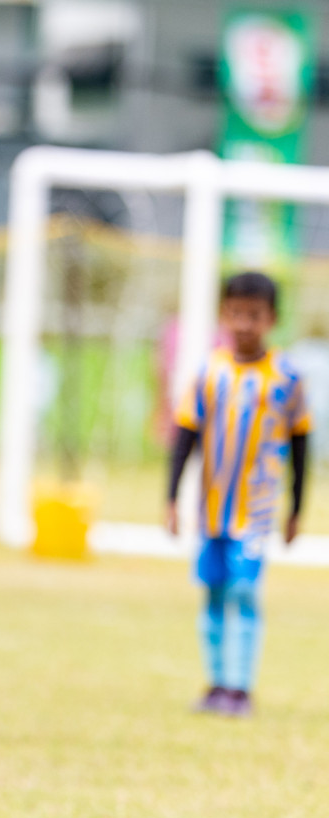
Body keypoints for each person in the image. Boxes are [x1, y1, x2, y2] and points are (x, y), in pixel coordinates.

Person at [165, 271, 311, 717]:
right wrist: (171, 499)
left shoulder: (286, 377)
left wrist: (296, 508)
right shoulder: (210, 372)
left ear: (272, 319)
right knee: (212, 592)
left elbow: (301, 445)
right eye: (236, 314)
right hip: (211, 508)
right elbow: (185, 436)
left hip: (257, 510)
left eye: (254, 315)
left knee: (244, 591)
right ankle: (216, 683)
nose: (244, 324)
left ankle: (240, 688)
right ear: (223, 315)